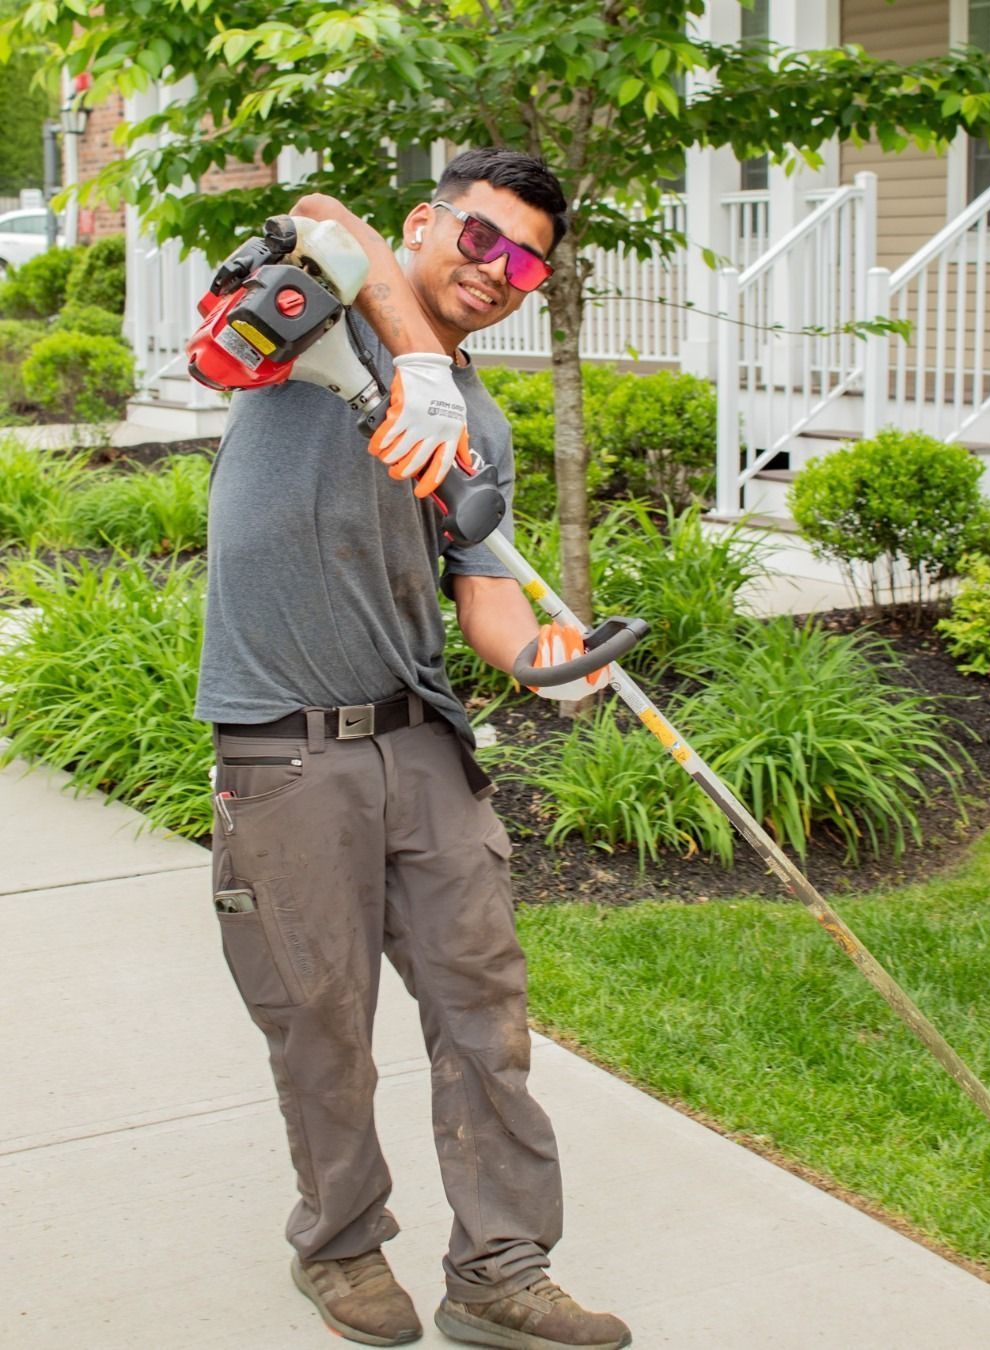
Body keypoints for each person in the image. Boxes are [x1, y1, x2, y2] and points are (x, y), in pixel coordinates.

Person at [195, 148, 632, 1350]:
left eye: (527, 261)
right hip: (285, 749)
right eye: (482, 240)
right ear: (424, 227)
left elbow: (486, 595)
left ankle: (501, 1269)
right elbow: (319, 215)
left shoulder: (477, 426)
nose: (500, 271)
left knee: (482, 1008)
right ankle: (338, 1248)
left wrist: (549, 659)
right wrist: (422, 370)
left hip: (420, 738)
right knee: (319, 1016)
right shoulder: (315, 314)